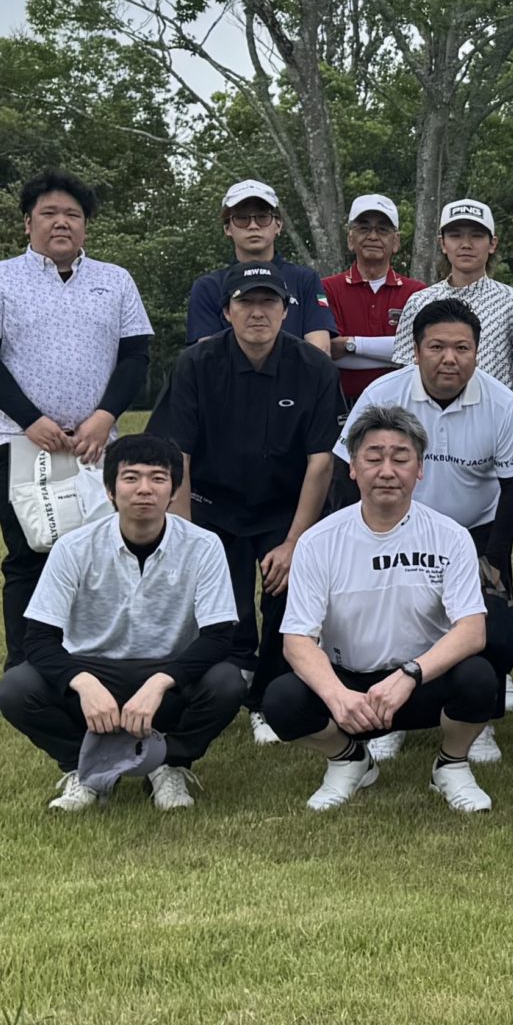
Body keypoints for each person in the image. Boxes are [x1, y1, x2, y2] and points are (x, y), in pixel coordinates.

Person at [266, 405, 502, 813]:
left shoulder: (450, 536)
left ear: (420, 469)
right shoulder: (318, 541)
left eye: (401, 458)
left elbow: (472, 629)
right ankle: (348, 759)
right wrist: (337, 695)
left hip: (421, 680)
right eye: (373, 458)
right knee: (282, 700)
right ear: (353, 468)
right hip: (351, 684)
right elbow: (297, 640)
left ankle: (451, 764)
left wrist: (410, 675)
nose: (387, 471)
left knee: (480, 678)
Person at [0, 171, 154, 665]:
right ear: (28, 223)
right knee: (29, 557)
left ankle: (97, 659)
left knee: (102, 556)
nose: (61, 223)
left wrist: (104, 416)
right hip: (23, 441)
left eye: (73, 214)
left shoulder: (115, 281)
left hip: (97, 445)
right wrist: (31, 420)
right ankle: (27, 668)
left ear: (86, 225)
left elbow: (136, 356)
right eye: (49, 213)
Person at [0, 433, 247, 812]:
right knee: (16, 688)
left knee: (227, 682)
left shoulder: (204, 545)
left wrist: (160, 683)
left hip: (167, 672)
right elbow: (39, 638)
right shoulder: (73, 547)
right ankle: (84, 769)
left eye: (158, 478)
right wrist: (83, 683)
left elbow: (219, 636)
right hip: (94, 668)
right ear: (110, 490)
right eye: (131, 477)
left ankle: (168, 763)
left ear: (174, 491)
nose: (144, 489)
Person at [338, 297, 513, 764]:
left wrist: (495, 557)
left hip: (476, 533)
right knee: (392, 623)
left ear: (476, 352)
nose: (450, 359)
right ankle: (389, 716)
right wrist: (363, 537)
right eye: (437, 347)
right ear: (415, 350)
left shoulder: (501, 402)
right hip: (396, 529)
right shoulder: (383, 394)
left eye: (462, 348)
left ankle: (478, 720)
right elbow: (346, 471)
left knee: (492, 630)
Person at [147, 263, 344, 736]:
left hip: (286, 505)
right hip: (213, 504)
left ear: (285, 311)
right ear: (226, 312)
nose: (258, 312)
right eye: (246, 302)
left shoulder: (314, 366)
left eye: (268, 302)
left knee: (287, 594)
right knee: (223, 602)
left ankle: (266, 699)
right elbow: (179, 455)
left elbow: (322, 461)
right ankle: (226, 679)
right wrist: (187, 539)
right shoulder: (196, 363)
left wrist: (295, 543)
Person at [393, 200, 513, 400]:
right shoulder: (419, 301)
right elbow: (407, 369)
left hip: (493, 412)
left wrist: (505, 409)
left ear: (492, 244)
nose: (466, 244)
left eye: (477, 236)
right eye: (455, 236)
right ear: (443, 243)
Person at [182, 179, 334, 353]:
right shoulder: (208, 287)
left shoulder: (305, 279)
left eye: (262, 217)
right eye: (242, 219)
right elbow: (208, 357)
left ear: (278, 225)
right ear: (227, 228)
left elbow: (320, 349)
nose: (253, 226)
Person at [322, 192, 428, 404]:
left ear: (396, 241)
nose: (372, 236)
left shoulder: (417, 292)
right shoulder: (326, 288)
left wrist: (352, 345)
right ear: (350, 239)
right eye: (364, 228)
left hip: (402, 407)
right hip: (341, 406)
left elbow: (420, 351)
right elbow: (329, 349)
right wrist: (394, 358)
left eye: (382, 229)